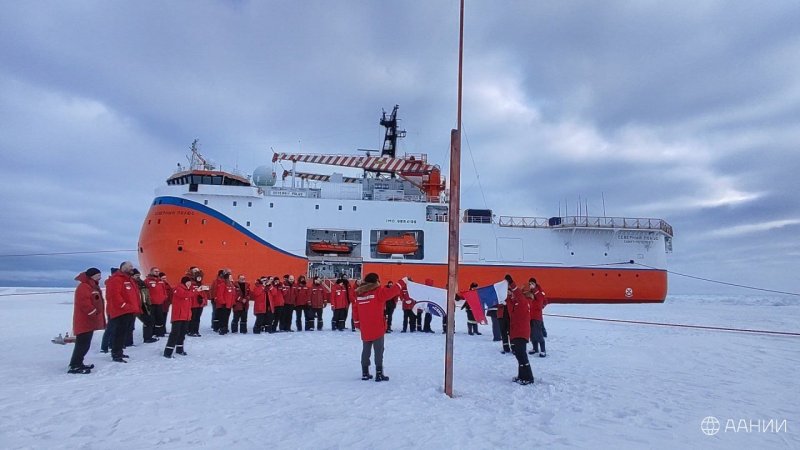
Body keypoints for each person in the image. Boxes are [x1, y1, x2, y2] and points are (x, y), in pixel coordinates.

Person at [353, 273, 401, 381]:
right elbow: (392, 291)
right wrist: (402, 282)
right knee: (379, 350)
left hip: (365, 327)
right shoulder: (378, 292)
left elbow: (355, 310)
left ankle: (365, 373)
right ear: (376, 281)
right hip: (377, 327)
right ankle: (379, 373)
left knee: (366, 350)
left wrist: (357, 323)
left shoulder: (359, 294)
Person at [68, 268, 106, 374]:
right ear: (92, 276)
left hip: (89, 321)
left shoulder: (91, 286)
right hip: (85, 321)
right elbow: (84, 303)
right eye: (98, 275)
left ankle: (79, 363)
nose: (100, 277)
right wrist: (93, 313)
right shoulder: (84, 287)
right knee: (82, 344)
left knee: (85, 344)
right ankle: (74, 365)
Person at [105, 261, 141, 363]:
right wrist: (124, 305)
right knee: (118, 333)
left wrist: (135, 307)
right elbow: (115, 295)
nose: (132, 268)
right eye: (130, 266)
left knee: (123, 333)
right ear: (123, 267)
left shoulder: (129, 279)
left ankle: (119, 351)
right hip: (121, 312)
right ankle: (116, 354)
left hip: (129, 311)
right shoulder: (116, 280)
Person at [505, 275, 534, 385]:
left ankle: (528, 377)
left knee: (521, 355)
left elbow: (517, 293)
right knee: (518, 354)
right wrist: (507, 297)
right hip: (516, 331)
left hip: (520, 332)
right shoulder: (519, 303)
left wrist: (511, 282)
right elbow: (511, 307)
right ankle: (521, 375)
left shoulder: (523, 301)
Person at [164, 276, 193, 358]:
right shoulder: (178, 289)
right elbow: (183, 295)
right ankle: (168, 351)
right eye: (188, 282)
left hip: (185, 315)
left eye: (190, 282)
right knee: (175, 333)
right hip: (178, 316)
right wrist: (195, 291)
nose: (189, 283)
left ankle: (179, 349)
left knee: (182, 333)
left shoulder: (188, 290)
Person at [526, 278, 548, 357]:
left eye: (532, 283)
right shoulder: (529, 293)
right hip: (530, 316)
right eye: (529, 284)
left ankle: (543, 350)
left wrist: (540, 307)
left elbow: (542, 299)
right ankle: (535, 348)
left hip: (537, 317)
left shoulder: (539, 292)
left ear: (535, 284)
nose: (530, 285)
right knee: (532, 334)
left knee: (538, 334)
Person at [146, 267, 169, 338]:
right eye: (155, 271)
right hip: (151, 304)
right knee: (151, 319)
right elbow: (144, 292)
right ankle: (151, 333)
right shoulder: (147, 281)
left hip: (160, 303)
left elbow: (164, 291)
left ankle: (159, 333)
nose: (157, 272)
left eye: (158, 271)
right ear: (151, 272)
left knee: (160, 319)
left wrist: (164, 297)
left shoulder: (160, 281)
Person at [187, 267, 207, 337]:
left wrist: (204, 300)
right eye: (195, 270)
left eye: (198, 270)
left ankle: (196, 330)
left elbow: (203, 292)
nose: (197, 271)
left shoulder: (200, 281)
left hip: (199, 303)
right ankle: (190, 331)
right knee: (192, 317)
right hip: (192, 303)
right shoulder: (188, 280)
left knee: (197, 318)